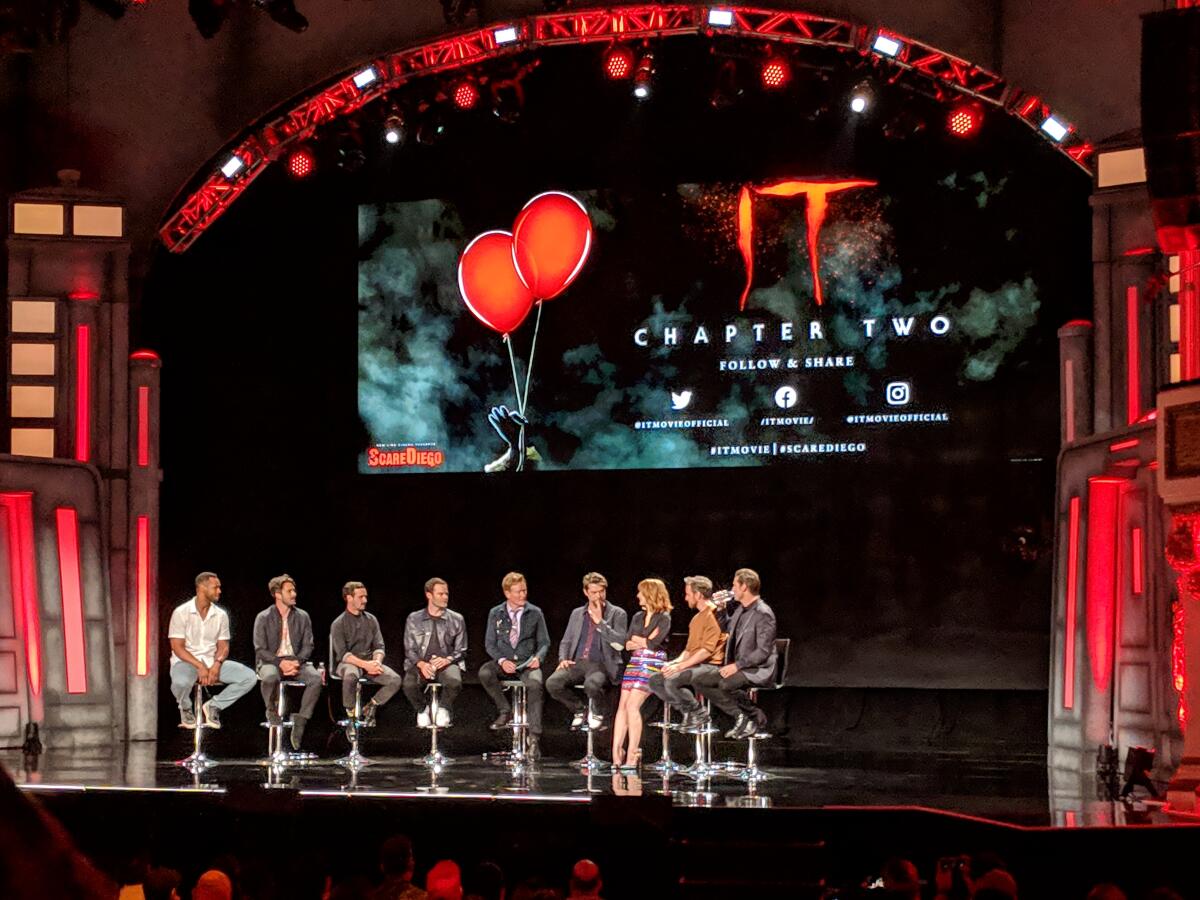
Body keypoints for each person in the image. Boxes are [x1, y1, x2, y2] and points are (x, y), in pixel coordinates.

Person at [692, 568, 777, 739]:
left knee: (725, 684)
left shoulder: (763, 613)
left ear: (744, 587)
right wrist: (722, 610)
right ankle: (742, 716)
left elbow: (763, 651)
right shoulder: (741, 609)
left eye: (734, 585)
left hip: (757, 668)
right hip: (740, 667)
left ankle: (754, 716)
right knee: (699, 680)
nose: (733, 590)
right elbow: (727, 629)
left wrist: (737, 666)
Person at [166, 572, 258, 729]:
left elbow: (223, 646)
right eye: (216, 587)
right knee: (180, 682)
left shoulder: (221, 615)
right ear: (202, 588)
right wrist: (199, 666)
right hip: (186, 663)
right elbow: (177, 647)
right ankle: (186, 708)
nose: (219, 591)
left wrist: (217, 663)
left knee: (249, 677)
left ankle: (214, 706)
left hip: (211, 662)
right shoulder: (181, 612)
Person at [478, 572, 551, 759]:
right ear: (507, 593)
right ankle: (505, 711)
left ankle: (534, 739)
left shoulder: (535, 612)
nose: (522, 595)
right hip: (505, 662)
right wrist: (502, 660)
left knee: (535, 684)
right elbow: (490, 644)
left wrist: (538, 658)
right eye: (518, 592)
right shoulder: (496, 613)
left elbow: (544, 642)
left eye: (524, 591)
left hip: (527, 663)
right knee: (485, 673)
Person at [546, 573, 628, 733]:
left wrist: (600, 623)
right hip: (578, 662)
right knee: (552, 683)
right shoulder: (577, 613)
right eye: (594, 592)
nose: (598, 596)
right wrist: (563, 659)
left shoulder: (617, 613)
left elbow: (620, 644)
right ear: (586, 592)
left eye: (601, 592)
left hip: (602, 664)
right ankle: (579, 709)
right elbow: (566, 640)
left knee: (592, 685)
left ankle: (598, 711)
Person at [253, 574, 322, 751]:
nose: (294, 594)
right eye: (289, 591)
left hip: (296, 662)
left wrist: (296, 662)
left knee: (315, 678)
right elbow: (260, 649)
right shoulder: (263, 617)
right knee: (269, 677)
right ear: (277, 594)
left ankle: (301, 720)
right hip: (271, 662)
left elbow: (308, 645)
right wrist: (280, 663)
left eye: (294, 590)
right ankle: (271, 710)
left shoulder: (303, 616)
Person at [647, 575, 725, 730]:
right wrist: (673, 663)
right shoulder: (696, 618)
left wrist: (680, 667)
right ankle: (690, 713)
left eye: (688, 594)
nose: (685, 598)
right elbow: (689, 650)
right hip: (695, 664)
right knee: (655, 680)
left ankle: (699, 713)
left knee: (672, 680)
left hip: (711, 666)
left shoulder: (713, 615)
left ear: (698, 595)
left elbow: (705, 651)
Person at [610, 578, 672, 770]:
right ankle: (616, 752)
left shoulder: (664, 617)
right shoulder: (637, 616)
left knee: (632, 705)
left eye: (641, 592)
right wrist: (641, 640)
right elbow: (628, 643)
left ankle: (632, 753)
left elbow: (653, 644)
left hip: (652, 663)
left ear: (650, 594)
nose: (637, 596)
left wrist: (642, 641)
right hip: (635, 661)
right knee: (622, 705)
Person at [330, 581, 403, 731]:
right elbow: (343, 654)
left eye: (365, 596)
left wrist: (376, 662)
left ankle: (371, 706)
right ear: (349, 598)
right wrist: (365, 665)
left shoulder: (371, 620)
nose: (365, 600)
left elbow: (379, 646)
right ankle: (350, 716)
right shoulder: (338, 623)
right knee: (351, 675)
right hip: (348, 663)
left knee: (395, 679)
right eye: (360, 597)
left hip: (370, 663)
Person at [402, 578, 467, 727]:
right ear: (429, 595)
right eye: (440, 594)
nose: (445, 597)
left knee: (454, 681)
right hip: (420, 663)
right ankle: (422, 709)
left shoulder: (457, 619)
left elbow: (461, 649)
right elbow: (409, 649)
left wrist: (447, 659)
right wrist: (422, 664)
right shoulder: (414, 618)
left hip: (446, 664)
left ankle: (443, 708)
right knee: (409, 685)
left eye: (446, 594)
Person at [369, 834, 427, 900]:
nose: (413, 862)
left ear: (382, 866)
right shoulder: (421, 897)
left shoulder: (372, 897)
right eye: (411, 857)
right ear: (409, 863)